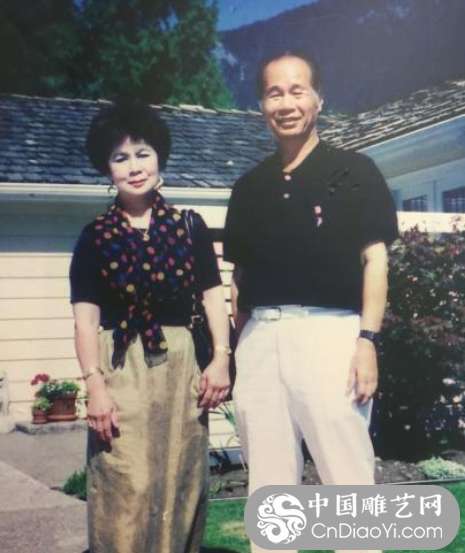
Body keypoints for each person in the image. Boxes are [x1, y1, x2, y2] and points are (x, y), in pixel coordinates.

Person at [223, 51, 399, 553]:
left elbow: (376, 262)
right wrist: (239, 351)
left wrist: (367, 341)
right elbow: (239, 279)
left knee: (347, 476)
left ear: (319, 99)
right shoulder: (248, 188)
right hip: (260, 339)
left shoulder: (355, 171)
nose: (286, 103)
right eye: (274, 93)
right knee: (270, 487)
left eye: (297, 90)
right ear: (261, 105)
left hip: (331, 336)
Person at [70, 101, 231, 553]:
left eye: (143, 153)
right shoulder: (94, 237)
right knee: (125, 481)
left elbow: (212, 296)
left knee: (180, 479)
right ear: (107, 168)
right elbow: (85, 320)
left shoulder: (189, 227)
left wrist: (220, 359)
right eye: (120, 158)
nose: (134, 167)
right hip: (121, 367)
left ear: (159, 156)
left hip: (182, 367)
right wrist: (94, 386)